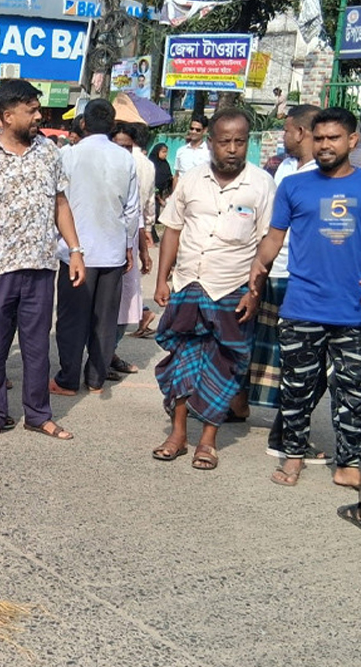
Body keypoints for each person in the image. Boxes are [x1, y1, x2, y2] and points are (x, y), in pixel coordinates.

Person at [0, 79, 86, 444]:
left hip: (40, 266)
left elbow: (60, 204)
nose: (37, 116)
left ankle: (38, 414)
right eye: (30, 110)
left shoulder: (49, 152)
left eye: (36, 109)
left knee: (36, 349)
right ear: (6, 116)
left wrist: (75, 250)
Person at [151, 108, 274, 471]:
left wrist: (254, 289)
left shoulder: (261, 184)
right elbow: (172, 228)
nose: (233, 149)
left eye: (240, 141)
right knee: (183, 359)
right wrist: (162, 278)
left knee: (224, 364)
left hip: (232, 287)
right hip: (189, 283)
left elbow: (268, 239)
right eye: (225, 142)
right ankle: (177, 434)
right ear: (210, 143)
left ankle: (208, 440)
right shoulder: (190, 180)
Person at [252, 107, 361, 489]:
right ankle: (294, 456)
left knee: (353, 392)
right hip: (302, 306)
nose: (325, 145)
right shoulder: (294, 186)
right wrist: (256, 273)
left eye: (333, 138)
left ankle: (348, 461)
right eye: (319, 138)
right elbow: (273, 237)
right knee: (296, 388)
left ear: (353, 140)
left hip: (354, 310)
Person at [247, 105, 324, 466]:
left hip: (300, 276)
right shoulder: (287, 170)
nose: (283, 136)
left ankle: (285, 430)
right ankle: (283, 433)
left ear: (301, 132)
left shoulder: (320, 177)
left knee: (299, 361)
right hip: (278, 272)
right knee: (282, 356)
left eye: (287, 130)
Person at [51, 99, 139, 396]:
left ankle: (67, 378)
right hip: (112, 250)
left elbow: (57, 203)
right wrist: (128, 246)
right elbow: (132, 210)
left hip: (76, 251)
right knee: (104, 319)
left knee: (72, 318)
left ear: (83, 124)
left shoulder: (68, 155)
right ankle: (96, 379)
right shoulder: (126, 158)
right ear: (113, 126)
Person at [107, 122, 157, 368]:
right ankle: (99, 358)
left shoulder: (138, 169)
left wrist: (143, 249)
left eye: (126, 147)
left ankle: (108, 354)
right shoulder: (96, 169)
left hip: (126, 249)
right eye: (117, 146)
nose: (121, 152)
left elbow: (137, 211)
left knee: (126, 304)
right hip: (97, 251)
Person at [173, 114, 209, 184]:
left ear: (204, 130)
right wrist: (174, 194)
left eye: (198, 130)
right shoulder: (181, 151)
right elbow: (177, 175)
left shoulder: (209, 152)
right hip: (182, 192)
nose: (193, 132)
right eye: (191, 128)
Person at [149, 142, 173, 242]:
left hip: (162, 195)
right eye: (163, 152)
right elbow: (152, 181)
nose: (165, 154)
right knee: (151, 216)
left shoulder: (165, 164)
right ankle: (151, 237)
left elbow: (168, 178)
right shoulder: (151, 164)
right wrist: (158, 197)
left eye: (166, 152)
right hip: (152, 195)